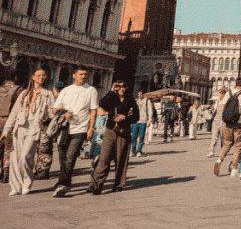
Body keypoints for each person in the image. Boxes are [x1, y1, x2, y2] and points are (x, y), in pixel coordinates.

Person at [1, 69, 55, 195]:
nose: (41, 78)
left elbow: (52, 113)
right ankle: (15, 186)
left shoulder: (48, 94)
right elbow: (14, 112)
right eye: (39, 76)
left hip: (34, 128)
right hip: (20, 127)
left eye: (43, 76)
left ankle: (27, 181)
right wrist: (6, 129)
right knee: (15, 157)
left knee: (26, 156)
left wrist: (49, 119)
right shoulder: (24, 93)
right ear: (33, 77)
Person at [51, 66, 98, 197]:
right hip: (64, 128)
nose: (84, 76)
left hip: (81, 128)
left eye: (85, 74)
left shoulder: (91, 90)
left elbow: (93, 110)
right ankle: (65, 180)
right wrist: (64, 113)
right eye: (81, 74)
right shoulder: (66, 90)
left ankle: (63, 185)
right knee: (62, 157)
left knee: (70, 157)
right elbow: (54, 108)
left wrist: (91, 128)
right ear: (74, 75)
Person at [88, 81, 139, 194]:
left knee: (121, 159)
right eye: (118, 86)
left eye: (123, 86)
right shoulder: (113, 98)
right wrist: (111, 91)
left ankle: (119, 184)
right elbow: (102, 104)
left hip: (124, 132)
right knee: (104, 158)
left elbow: (136, 117)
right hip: (110, 131)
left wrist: (125, 118)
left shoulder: (130, 100)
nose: (121, 88)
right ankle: (96, 184)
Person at [215, 77, 241, 177]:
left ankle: (219, 160)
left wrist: (222, 120)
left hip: (228, 123)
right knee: (238, 146)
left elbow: (222, 105)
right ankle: (234, 168)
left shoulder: (229, 93)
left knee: (227, 143)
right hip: (239, 124)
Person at [207, 88, 227, 158]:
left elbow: (226, 113)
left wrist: (222, 122)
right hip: (216, 120)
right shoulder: (217, 101)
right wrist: (212, 109)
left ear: (223, 94)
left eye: (220, 93)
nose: (219, 94)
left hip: (223, 121)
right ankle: (211, 151)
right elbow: (215, 110)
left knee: (223, 137)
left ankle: (223, 151)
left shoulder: (226, 102)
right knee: (214, 137)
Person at [131, 90, 151, 156]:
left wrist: (149, 120)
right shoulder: (136, 101)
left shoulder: (147, 101)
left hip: (143, 121)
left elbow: (150, 111)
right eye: (138, 94)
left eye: (140, 94)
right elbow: (132, 110)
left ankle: (139, 150)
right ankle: (132, 150)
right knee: (134, 136)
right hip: (135, 121)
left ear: (143, 94)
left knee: (141, 136)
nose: (139, 96)